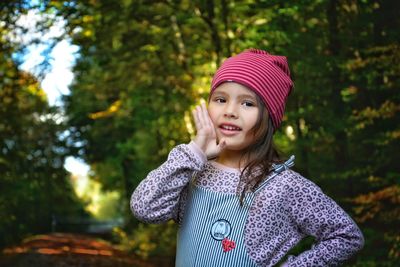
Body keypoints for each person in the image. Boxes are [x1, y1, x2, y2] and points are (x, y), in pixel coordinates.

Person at [130, 49, 364, 266]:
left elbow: (346, 237)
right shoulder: (192, 170)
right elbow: (145, 208)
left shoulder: (284, 186)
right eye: (220, 99)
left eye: (247, 103)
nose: (230, 111)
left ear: (269, 117)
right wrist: (193, 152)